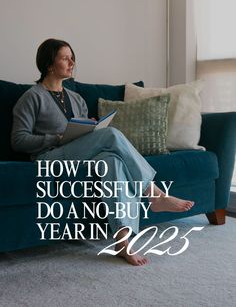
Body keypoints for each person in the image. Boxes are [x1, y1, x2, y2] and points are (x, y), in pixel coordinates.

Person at [11, 38, 194, 266]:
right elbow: (18, 140)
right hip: (49, 158)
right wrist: (57, 138)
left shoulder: (76, 98)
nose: (72, 62)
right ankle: (153, 192)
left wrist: (90, 127)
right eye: (65, 58)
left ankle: (122, 243)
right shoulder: (32, 97)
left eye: (72, 57)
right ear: (49, 64)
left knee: (112, 161)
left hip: (77, 154)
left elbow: (81, 131)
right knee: (111, 135)